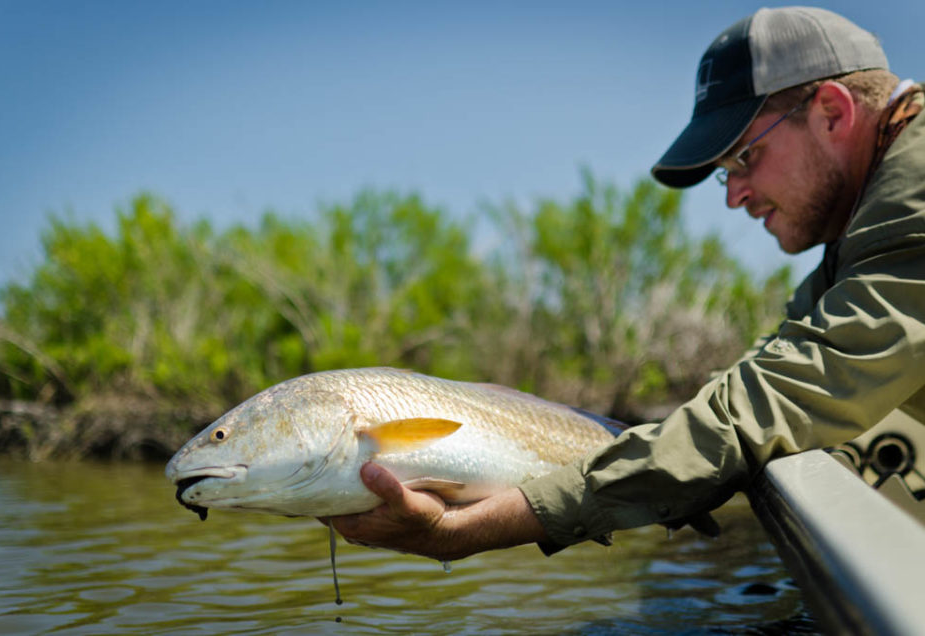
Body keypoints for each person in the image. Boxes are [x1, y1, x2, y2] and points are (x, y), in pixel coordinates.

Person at [327, 6, 925, 560]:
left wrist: (487, 525)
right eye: (724, 176)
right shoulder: (868, 229)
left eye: (743, 158)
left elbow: (770, 406)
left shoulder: (914, 200)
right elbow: (763, 374)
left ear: (832, 112)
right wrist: (526, 421)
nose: (736, 195)